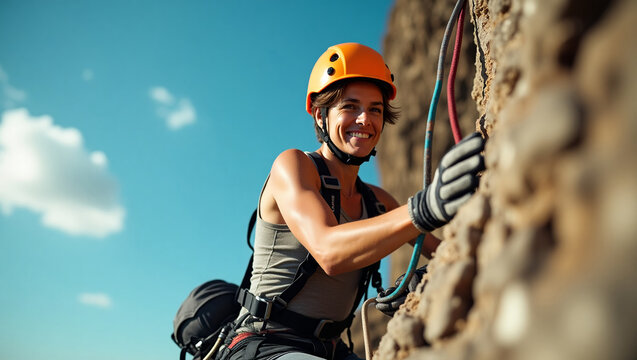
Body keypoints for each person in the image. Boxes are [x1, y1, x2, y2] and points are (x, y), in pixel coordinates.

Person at [218, 43, 485, 360]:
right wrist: (422, 210)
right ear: (321, 114)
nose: (365, 119)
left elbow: (445, 253)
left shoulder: (378, 201)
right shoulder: (293, 166)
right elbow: (329, 251)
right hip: (265, 344)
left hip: (332, 350)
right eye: (350, 106)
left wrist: (422, 280)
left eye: (375, 109)